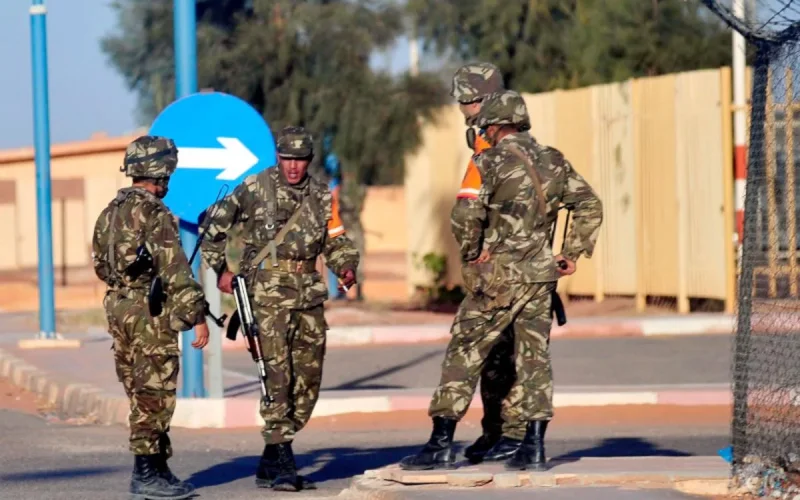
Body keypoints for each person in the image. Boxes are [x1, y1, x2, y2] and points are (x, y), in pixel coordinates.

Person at [399, 90, 602, 472]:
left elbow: (465, 214)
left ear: (492, 126)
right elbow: (590, 204)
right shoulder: (554, 160)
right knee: (534, 359)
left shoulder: (486, 161)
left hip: (497, 278)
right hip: (540, 277)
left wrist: (473, 252)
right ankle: (534, 447)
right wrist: (570, 252)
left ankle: (441, 443)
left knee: (464, 351)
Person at [200, 125, 360, 491]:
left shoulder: (321, 196)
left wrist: (346, 267)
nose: (293, 166)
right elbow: (215, 225)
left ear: (309, 160)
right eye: (287, 158)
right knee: (276, 376)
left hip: (308, 296)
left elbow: (336, 240)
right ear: (278, 156)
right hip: (267, 296)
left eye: (299, 160)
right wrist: (221, 269)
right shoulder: (256, 188)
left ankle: (270, 460)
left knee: (308, 381)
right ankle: (285, 461)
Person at [91, 135, 210, 500]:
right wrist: (197, 316)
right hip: (148, 312)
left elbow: (100, 265)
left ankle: (158, 468)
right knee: (154, 391)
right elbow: (175, 271)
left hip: (118, 308)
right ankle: (145, 474)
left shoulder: (110, 212)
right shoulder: (155, 214)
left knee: (137, 388)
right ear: (161, 171)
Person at [448, 61, 524, 465]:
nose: (464, 109)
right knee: (494, 355)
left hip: (507, 265)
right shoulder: (485, 143)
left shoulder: (500, 146)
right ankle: (496, 430)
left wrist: (478, 249)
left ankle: (513, 434)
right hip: (496, 266)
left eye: (467, 101)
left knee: (506, 353)